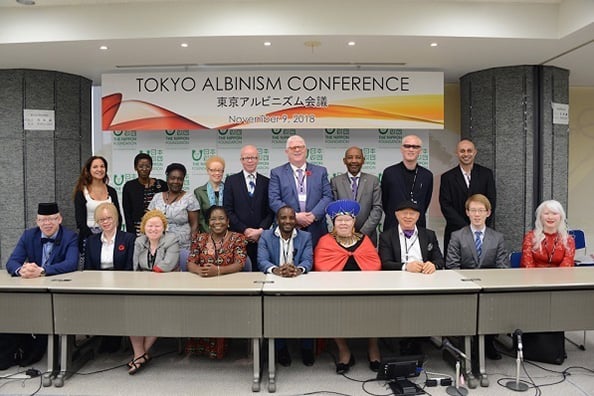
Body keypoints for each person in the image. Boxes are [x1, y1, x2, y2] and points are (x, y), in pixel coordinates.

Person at [2, 202, 78, 369]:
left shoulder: (70, 236)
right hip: (30, 289)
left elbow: (71, 264)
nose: (47, 223)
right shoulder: (29, 235)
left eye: (51, 219)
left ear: (59, 219)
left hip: (57, 292)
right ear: (37, 221)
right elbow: (12, 261)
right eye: (42, 220)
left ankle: (40, 349)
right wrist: (21, 270)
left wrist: (42, 271)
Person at [314, 200, 382, 374]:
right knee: (332, 311)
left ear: (354, 222)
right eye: (339, 220)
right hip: (335, 291)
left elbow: (375, 264)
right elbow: (321, 266)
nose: (343, 223)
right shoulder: (325, 241)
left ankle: (373, 348)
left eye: (347, 220)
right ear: (334, 223)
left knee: (375, 308)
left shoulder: (365, 240)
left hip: (365, 290)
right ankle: (344, 350)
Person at [445, 194, 506, 360]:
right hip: (464, 286)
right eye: (473, 210)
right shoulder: (457, 236)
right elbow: (452, 266)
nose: (477, 214)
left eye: (481, 210)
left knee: (494, 305)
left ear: (488, 212)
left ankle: (488, 342)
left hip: (489, 287)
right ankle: (467, 343)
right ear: (467, 213)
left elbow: (502, 267)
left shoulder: (497, 238)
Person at [378, 200, 443, 355]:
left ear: (418, 216)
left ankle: (418, 338)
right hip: (397, 283)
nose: (408, 217)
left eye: (412, 213)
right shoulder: (387, 236)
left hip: (425, 282)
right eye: (404, 213)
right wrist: (405, 266)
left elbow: (440, 260)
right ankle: (402, 340)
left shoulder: (429, 235)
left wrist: (433, 265)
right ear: (396, 215)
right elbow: (385, 263)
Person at [185, 206, 247, 359]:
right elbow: (190, 262)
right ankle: (199, 348)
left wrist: (218, 271)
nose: (217, 222)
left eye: (221, 218)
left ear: (228, 222)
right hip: (203, 285)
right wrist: (199, 271)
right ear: (208, 223)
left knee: (219, 304)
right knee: (196, 303)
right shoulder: (200, 239)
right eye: (213, 219)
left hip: (229, 288)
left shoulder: (238, 238)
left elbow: (240, 264)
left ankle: (219, 349)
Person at [257, 205, 314, 367]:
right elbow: (262, 260)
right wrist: (276, 270)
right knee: (275, 311)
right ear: (277, 220)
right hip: (275, 283)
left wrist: (298, 270)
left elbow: (308, 260)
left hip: (299, 283)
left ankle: (306, 347)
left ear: (296, 220)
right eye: (284, 218)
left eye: (291, 218)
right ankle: (281, 348)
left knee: (307, 311)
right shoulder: (266, 236)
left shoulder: (306, 236)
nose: (288, 221)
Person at [128, 210, 180, 374]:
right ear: (144, 227)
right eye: (150, 225)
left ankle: (140, 355)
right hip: (142, 285)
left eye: (157, 225)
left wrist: (149, 275)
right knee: (133, 313)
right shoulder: (139, 241)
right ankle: (140, 354)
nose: (153, 229)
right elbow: (135, 266)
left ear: (163, 227)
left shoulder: (172, 239)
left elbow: (168, 264)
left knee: (159, 314)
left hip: (166, 284)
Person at [269, 135, 333, 247]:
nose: (297, 150)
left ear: (306, 150)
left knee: (315, 263)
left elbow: (327, 196)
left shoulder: (320, 171)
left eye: (300, 147)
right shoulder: (277, 173)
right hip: (287, 228)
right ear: (286, 151)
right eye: (293, 148)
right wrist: (294, 216)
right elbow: (274, 200)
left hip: (316, 227)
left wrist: (313, 216)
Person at [439, 138, 496, 252]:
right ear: (457, 153)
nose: (466, 154)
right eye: (462, 151)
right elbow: (445, 205)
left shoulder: (486, 174)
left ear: (475, 152)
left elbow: (491, 202)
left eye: (469, 151)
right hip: (455, 231)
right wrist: (466, 228)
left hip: (482, 232)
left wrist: (478, 225)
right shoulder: (447, 177)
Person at [223, 145, 274, 268]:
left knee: (260, 272)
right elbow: (227, 210)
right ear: (241, 160)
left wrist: (260, 230)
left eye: (253, 157)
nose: (250, 161)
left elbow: (271, 211)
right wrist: (245, 230)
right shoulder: (231, 181)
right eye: (247, 158)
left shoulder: (267, 182)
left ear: (258, 159)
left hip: (261, 239)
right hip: (238, 238)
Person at [330, 146, 383, 245]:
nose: (354, 161)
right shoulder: (335, 181)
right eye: (350, 157)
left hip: (367, 236)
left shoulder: (373, 181)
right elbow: (333, 210)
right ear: (344, 161)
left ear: (363, 160)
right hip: (342, 237)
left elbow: (377, 208)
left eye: (358, 157)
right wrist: (346, 231)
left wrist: (362, 233)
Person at [381, 135, 433, 230]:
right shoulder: (389, 173)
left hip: (418, 227)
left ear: (420, 151)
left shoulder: (427, 175)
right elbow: (385, 201)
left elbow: (425, 202)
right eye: (407, 146)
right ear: (401, 149)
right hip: (393, 227)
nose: (411, 149)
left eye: (415, 147)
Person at [73, 155, 122, 249]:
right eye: (95, 167)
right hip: (89, 237)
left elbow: (118, 217)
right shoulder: (81, 192)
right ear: (88, 170)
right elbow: (80, 221)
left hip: (111, 236)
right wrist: (94, 238)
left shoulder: (111, 191)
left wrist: (113, 235)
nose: (99, 169)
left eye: (102, 166)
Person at [148, 163, 199, 251]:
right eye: (172, 178)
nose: (176, 181)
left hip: (182, 248)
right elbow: (148, 221)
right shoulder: (157, 197)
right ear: (167, 179)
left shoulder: (190, 198)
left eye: (179, 179)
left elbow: (194, 225)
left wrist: (193, 248)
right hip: (159, 247)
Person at [122, 153, 168, 235]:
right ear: (135, 167)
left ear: (151, 167)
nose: (144, 169)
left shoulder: (161, 185)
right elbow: (127, 213)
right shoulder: (129, 186)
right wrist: (131, 234)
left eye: (147, 166)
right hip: (137, 230)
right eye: (141, 166)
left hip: (157, 229)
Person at [521, 200, 575, 268]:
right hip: (535, 277)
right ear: (540, 217)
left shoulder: (568, 240)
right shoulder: (530, 237)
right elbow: (527, 265)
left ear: (561, 217)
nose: (550, 217)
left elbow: (567, 265)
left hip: (560, 277)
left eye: (554, 214)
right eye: (546, 213)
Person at [84, 202, 135, 271]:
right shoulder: (91, 241)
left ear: (115, 218)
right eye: (102, 219)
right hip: (96, 279)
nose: (105, 222)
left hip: (122, 279)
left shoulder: (128, 239)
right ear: (97, 222)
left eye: (109, 218)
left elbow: (129, 266)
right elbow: (88, 268)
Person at [194, 155, 226, 233]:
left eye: (220, 170)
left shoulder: (230, 190)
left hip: (227, 236)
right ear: (208, 171)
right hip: (207, 235)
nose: (217, 173)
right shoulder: (199, 192)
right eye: (213, 170)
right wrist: (212, 234)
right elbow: (200, 218)